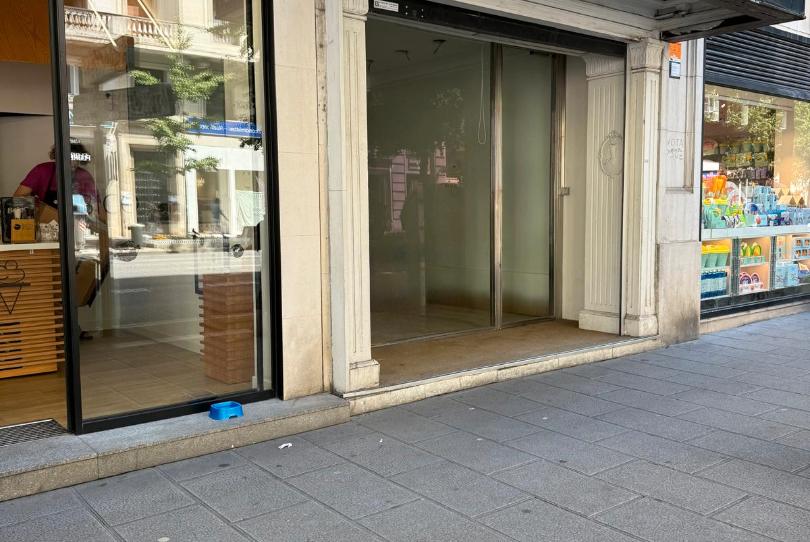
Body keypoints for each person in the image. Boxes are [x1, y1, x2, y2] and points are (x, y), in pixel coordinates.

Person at [14, 140, 99, 215]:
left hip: (74, 224)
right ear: (57, 156)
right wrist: (39, 208)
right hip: (45, 223)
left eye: (75, 158)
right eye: (68, 158)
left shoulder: (85, 176)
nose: (72, 162)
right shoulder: (42, 171)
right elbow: (17, 199)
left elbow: (97, 208)